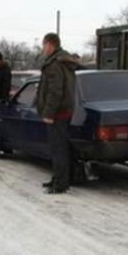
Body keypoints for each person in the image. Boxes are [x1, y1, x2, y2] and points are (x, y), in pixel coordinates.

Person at [35, 33, 79, 194]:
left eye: (43, 45)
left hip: (58, 113)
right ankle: (59, 178)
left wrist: (48, 113)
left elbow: (55, 91)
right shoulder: (63, 61)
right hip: (63, 111)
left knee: (58, 148)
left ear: (50, 44)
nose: (43, 48)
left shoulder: (55, 63)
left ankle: (60, 183)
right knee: (59, 148)